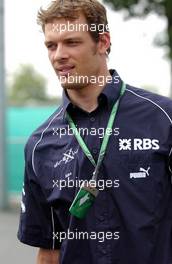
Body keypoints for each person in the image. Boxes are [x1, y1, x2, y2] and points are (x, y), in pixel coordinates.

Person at [17, 0, 172, 263]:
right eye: (51, 45)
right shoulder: (39, 145)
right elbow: (49, 250)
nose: (58, 55)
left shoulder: (163, 119)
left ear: (102, 42)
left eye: (72, 42)